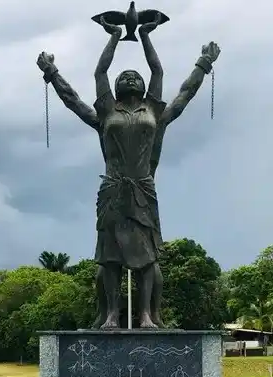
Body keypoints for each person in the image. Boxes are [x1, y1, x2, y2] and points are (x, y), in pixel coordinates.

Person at [38, 20, 220, 329]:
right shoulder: (107, 111)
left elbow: (179, 88)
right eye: (126, 76)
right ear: (118, 87)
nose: (132, 77)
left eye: (136, 76)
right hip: (112, 191)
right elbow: (80, 92)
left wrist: (199, 61)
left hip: (144, 190)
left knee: (147, 257)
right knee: (110, 256)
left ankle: (146, 315)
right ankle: (111, 314)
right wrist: (113, 37)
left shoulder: (155, 110)